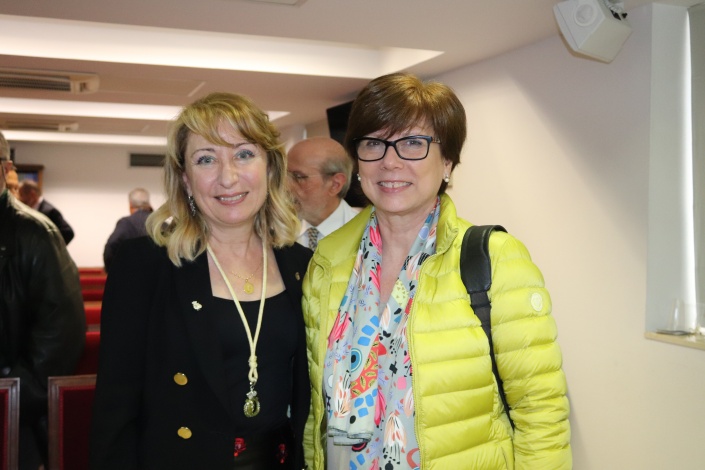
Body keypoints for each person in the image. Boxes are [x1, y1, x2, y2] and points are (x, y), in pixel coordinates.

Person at [302, 72, 572, 469]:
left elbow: (541, 413)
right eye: (373, 143)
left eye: (413, 143)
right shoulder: (327, 262)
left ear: (447, 161)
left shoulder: (494, 259)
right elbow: (317, 412)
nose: (390, 161)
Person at [90, 92, 312, 470]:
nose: (228, 177)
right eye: (206, 159)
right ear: (185, 180)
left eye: (244, 154)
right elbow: (115, 412)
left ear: (271, 168)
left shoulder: (301, 264)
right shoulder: (144, 265)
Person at [0, 131, 86, 470]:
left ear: (6, 169)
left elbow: (59, 336)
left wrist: (11, 399)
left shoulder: (37, 233)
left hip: (13, 413)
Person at [287, 136, 360, 250]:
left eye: (298, 177)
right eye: (285, 175)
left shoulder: (365, 235)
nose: (286, 185)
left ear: (335, 184)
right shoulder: (279, 233)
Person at [102, 187, 153, 272]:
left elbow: (111, 246)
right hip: (160, 275)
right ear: (148, 203)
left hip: (133, 273)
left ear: (130, 204)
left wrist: (111, 271)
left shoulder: (126, 223)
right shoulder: (159, 222)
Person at [18, 179, 75, 245]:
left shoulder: (50, 211)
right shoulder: (35, 209)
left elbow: (68, 233)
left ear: (32, 194)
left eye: (21, 195)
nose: (19, 199)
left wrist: (52, 248)